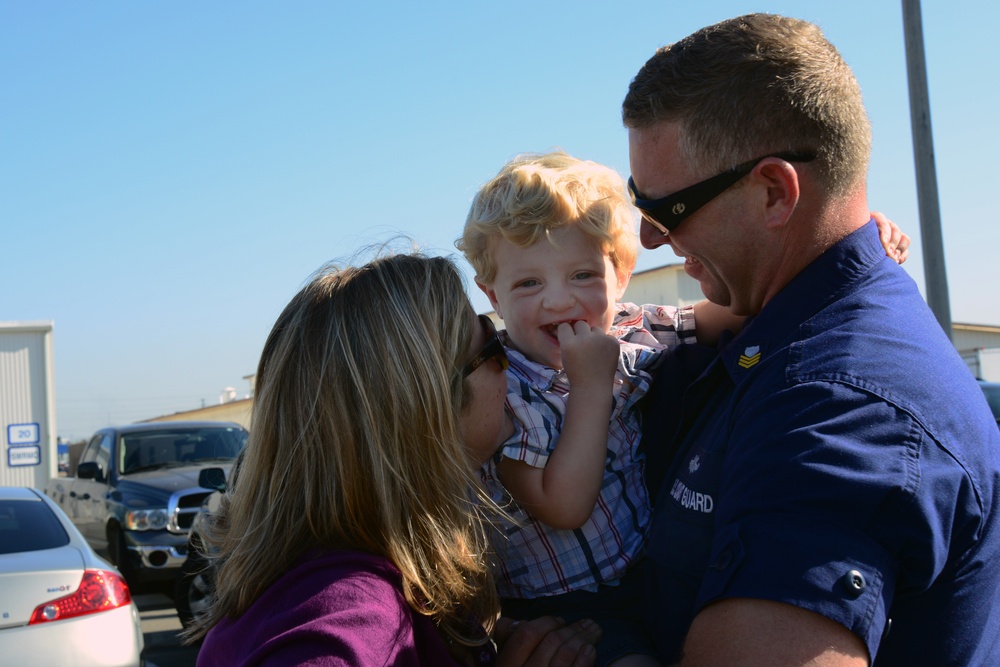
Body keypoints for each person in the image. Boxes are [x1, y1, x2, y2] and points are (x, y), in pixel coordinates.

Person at [622, 13, 1000, 667]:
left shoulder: (837, 406)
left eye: (667, 210)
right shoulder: (774, 333)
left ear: (774, 192)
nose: (648, 238)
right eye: (638, 202)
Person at [456, 152, 908, 667]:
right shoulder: (509, 390)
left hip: (646, 568)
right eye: (528, 283)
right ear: (492, 293)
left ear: (621, 275)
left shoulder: (633, 327)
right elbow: (562, 506)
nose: (559, 302)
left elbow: (743, 310)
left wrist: (841, 247)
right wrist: (590, 389)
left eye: (582, 275)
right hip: (563, 604)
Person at [190, 252, 603, 667]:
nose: (512, 367)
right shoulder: (348, 624)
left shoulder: (323, 579)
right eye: (494, 345)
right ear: (428, 406)